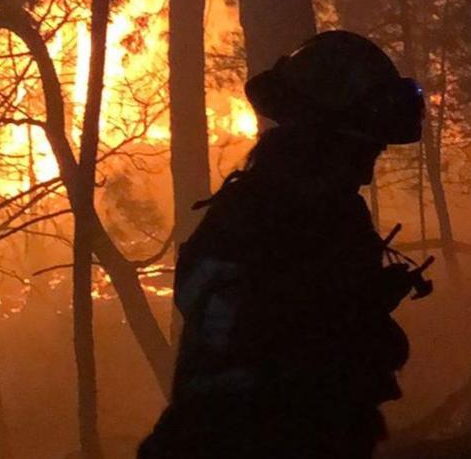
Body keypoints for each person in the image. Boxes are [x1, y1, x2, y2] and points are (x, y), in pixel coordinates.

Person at [140, 31, 431, 459]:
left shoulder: (335, 216)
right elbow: (239, 345)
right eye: (362, 152)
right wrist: (340, 312)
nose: (367, 172)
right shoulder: (248, 218)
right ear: (320, 143)